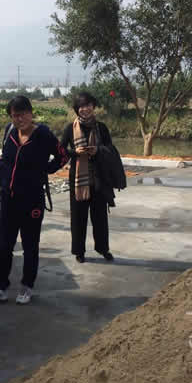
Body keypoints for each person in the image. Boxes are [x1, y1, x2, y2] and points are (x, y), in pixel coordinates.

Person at [0, 96, 68, 305]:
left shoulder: (43, 134)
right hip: (9, 198)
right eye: (14, 115)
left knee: (30, 245)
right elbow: (4, 159)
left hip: (32, 199)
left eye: (22, 114)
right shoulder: (10, 131)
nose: (19, 119)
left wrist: (46, 170)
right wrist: (0, 182)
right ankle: (0, 288)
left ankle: (27, 287)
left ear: (31, 113)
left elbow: (63, 156)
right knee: (4, 245)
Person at [61, 92, 117, 264]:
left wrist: (97, 150)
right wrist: (75, 152)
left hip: (99, 180)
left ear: (93, 106)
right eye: (81, 106)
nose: (85, 109)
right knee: (78, 218)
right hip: (78, 182)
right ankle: (79, 251)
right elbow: (61, 151)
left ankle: (103, 249)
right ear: (76, 109)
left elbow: (111, 150)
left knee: (100, 218)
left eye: (88, 105)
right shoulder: (70, 129)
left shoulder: (101, 128)